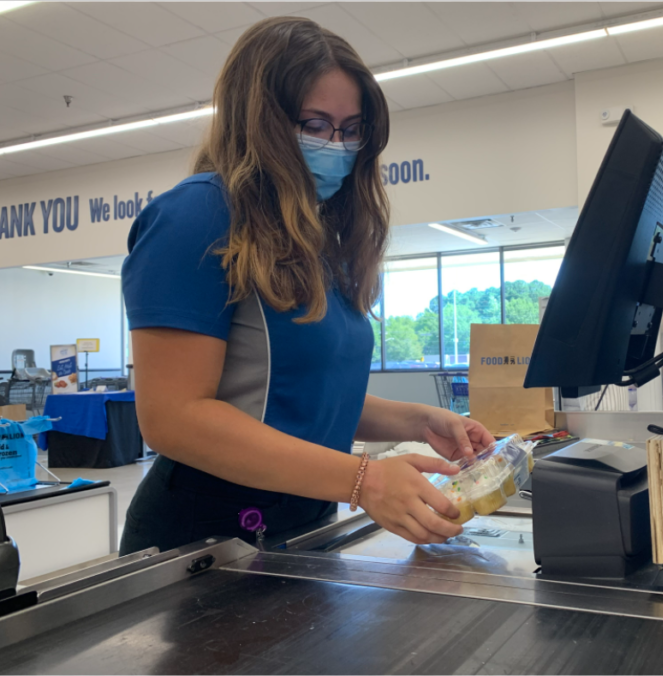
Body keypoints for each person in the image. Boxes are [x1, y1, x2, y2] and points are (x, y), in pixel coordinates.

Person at [119, 16, 495, 556]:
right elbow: (173, 418)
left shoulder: (316, 236)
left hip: (305, 516)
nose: (337, 146)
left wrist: (418, 419)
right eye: (315, 125)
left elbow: (300, 393)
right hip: (207, 535)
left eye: (351, 129)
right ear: (260, 122)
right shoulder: (197, 216)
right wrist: (363, 479)